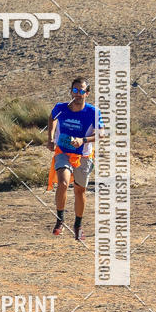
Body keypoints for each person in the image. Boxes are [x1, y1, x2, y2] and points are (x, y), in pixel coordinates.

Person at [47, 77, 104, 240]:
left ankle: (78, 225)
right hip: (63, 151)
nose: (78, 94)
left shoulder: (93, 112)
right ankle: (60, 220)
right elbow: (51, 118)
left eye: (81, 91)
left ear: (87, 93)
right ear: (71, 91)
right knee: (63, 183)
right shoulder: (61, 108)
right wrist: (50, 138)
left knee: (80, 191)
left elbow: (101, 134)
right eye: (75, 90)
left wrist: (83, 140)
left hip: (84, 155)